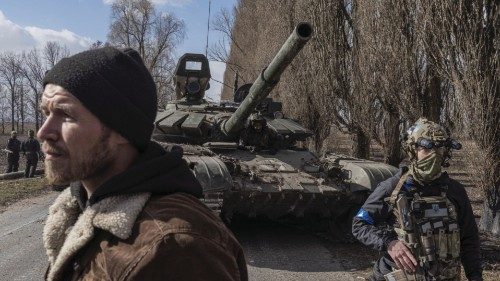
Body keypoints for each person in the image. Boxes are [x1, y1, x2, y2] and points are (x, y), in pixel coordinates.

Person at [40, 47, 247, 281]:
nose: (43, 132)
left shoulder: (175, 249)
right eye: (46, 113)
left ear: (122, 130)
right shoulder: (80, 204)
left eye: (66, 115)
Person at [352, 118, 482, 281]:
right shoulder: (393, 188)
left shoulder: (455, 191)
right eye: (427, 148)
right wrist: (389, 243)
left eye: (439, 148)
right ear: (413, 150)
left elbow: (469, 239)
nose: (434, 154)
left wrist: (475, 276)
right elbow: (359, 224)